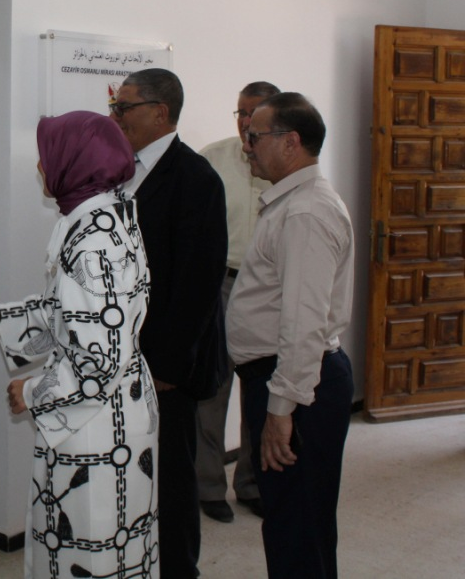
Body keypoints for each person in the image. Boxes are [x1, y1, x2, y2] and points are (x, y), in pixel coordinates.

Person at [0, 111, 159, 578]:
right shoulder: (106, 214)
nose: (40, 165)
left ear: (74, 162)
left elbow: (100, 360)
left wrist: (33, 391)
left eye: (47, 154)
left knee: (90, 546)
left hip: (97, 422)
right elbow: (72, 313)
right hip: (116, 407)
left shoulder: (92, 242)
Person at [227, 92, 354, 579]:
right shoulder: (294, 203)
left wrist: (281, 411)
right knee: (296, 519)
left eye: (255, 136)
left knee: (297, 523)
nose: (247, 146)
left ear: (290, 142)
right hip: (290, 379)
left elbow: (304, 325)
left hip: (298, 385)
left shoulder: (305, 214)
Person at [110, 68, 228, 578]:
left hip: (166, 369)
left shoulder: (196, 178)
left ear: (160, 112)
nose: (116, 116)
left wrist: (168, 368)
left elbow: (198, 285)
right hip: (126, 356)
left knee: (171, 483)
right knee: (132, 479)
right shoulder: (120, 169)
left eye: (124, 107)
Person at [194, 81, 279, 523]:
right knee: (212, 390)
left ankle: (252, 484)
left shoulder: (283, 163)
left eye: (255, 112)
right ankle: (208, 486)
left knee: (260, 392)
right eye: (240, 112)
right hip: (221, 284)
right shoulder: (213, 158)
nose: (246, 121)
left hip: (269, 288)